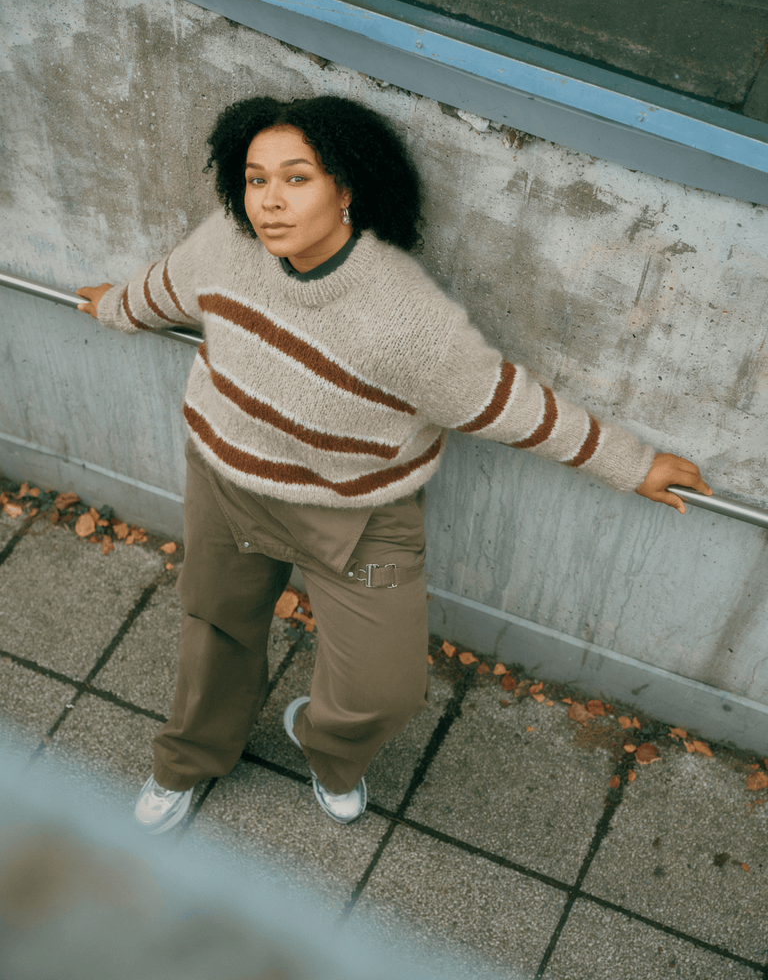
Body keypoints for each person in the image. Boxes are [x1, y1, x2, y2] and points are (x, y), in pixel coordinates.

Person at [77, 95, 712, 832]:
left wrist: (631, 464)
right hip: (227, 490)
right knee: (213, 634)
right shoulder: (225, 243)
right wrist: (112, 306)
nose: (269, 202)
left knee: (385, 686)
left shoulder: (405, 317)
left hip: (361, 523)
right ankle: (187, 761)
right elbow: (167, 287)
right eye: (256, 180)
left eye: (296, 178)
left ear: (346, 188)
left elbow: (507, 404)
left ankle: (324, 744)